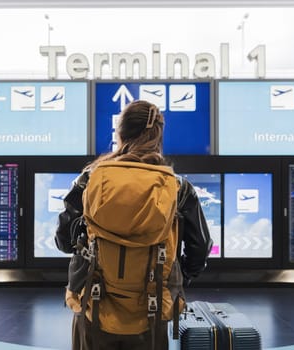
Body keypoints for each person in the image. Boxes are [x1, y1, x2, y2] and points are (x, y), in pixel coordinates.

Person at [55, 100, 212, 350]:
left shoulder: (90, 180)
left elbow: (63, 241)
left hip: (93, 309)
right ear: (158, 136)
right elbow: (199, 250)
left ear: (120, 132)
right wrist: (175, 279)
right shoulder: (179, 189)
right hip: (153, 311)